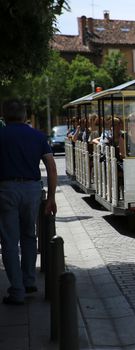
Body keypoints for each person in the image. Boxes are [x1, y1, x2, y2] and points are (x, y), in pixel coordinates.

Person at [0, 99, 57, 305]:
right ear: (25, 116)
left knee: (9, 241)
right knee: (29, 235)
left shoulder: (2, 135)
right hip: (32, 190)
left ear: (4, 116)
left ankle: (16, 290)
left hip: (6, 189)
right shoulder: (37, 136)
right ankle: (29, 281)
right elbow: (51, 167)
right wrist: (51, 197)